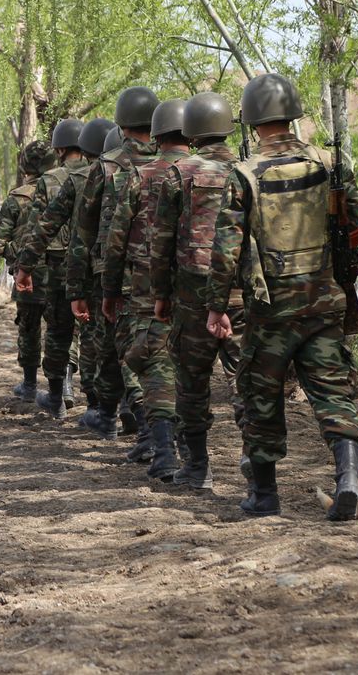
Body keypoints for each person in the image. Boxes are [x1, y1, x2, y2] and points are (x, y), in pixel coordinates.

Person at [205, 74, 358, 520]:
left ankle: (264, 495)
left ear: (253, 120)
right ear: (293, 114)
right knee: (333, 391)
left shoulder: (244, 174)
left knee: (260, 395)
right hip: (323, 301)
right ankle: (349, 479)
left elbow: (226, 248)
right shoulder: (329, 164)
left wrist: (217, 305)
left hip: (270, 308)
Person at [149, 92, 245, 491]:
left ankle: (197, 466)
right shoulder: (248, 171)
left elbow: (162, 241)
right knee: (248, 381)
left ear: (192, 131)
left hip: (192, 296)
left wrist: (160, 293)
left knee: (192, 382)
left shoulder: (178, 174)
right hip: (243, 293)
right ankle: (255, 464)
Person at [102, 99, 189, 479]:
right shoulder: (223, 171)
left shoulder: (142, 175)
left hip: (147, 289)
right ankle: (196, 457)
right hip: (210, 290)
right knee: (195, 370)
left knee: (156, 366)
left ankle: (166, 450)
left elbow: (115, 240)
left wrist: (108, 290)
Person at [68, 88, 157, 439]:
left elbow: (83, 234)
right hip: (166, 274)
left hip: (114, 277)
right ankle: (119, 416)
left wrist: (77, 289)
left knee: (121, 350)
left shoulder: (105, 167)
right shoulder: (173, 162)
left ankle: (142, 427)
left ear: (120, 125)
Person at [0, 140, 57, 401]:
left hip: (26, 276)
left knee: (29, 328)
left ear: (25, 165)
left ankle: (30, 385)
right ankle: (61, 387)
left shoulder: (17, 199)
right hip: (61, 274)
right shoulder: (63, 190)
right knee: (61, 329)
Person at [12, 118, 86, 418]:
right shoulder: (103, 173)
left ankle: (56, 395)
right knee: (88, 333)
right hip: (97, 266)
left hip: (58, 266)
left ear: (59, 148)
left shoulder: (50, 180)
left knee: (58, 329)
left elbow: (39, 228)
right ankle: (79, 391)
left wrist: (25, 266)